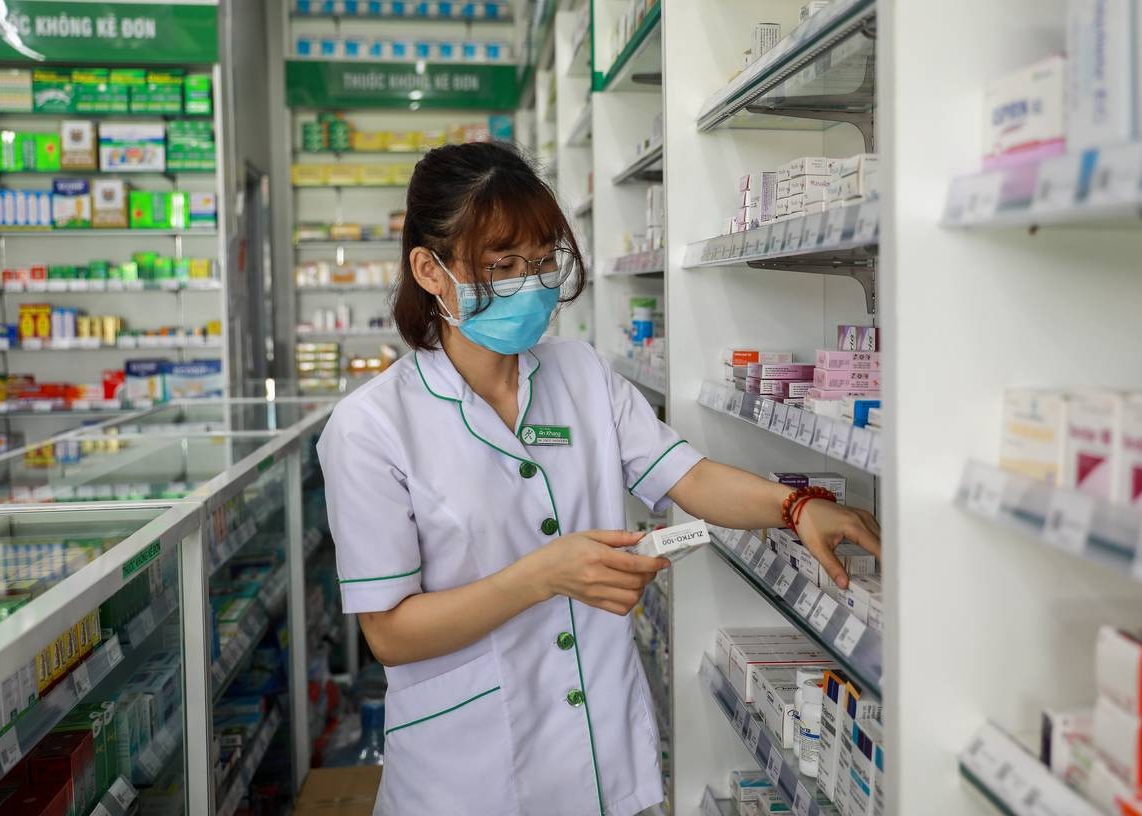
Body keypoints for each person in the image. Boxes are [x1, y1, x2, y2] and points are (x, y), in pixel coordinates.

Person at [317, 141, 881, 816]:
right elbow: (390, 632)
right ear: (430, 271)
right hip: (466, 778)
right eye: (503, 265)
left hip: (598, 758)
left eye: (543, 261)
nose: (531, 284)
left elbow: (686, 475)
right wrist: (541, 575)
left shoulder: (578, 372)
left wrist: (795, 507)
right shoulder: (370, 428)